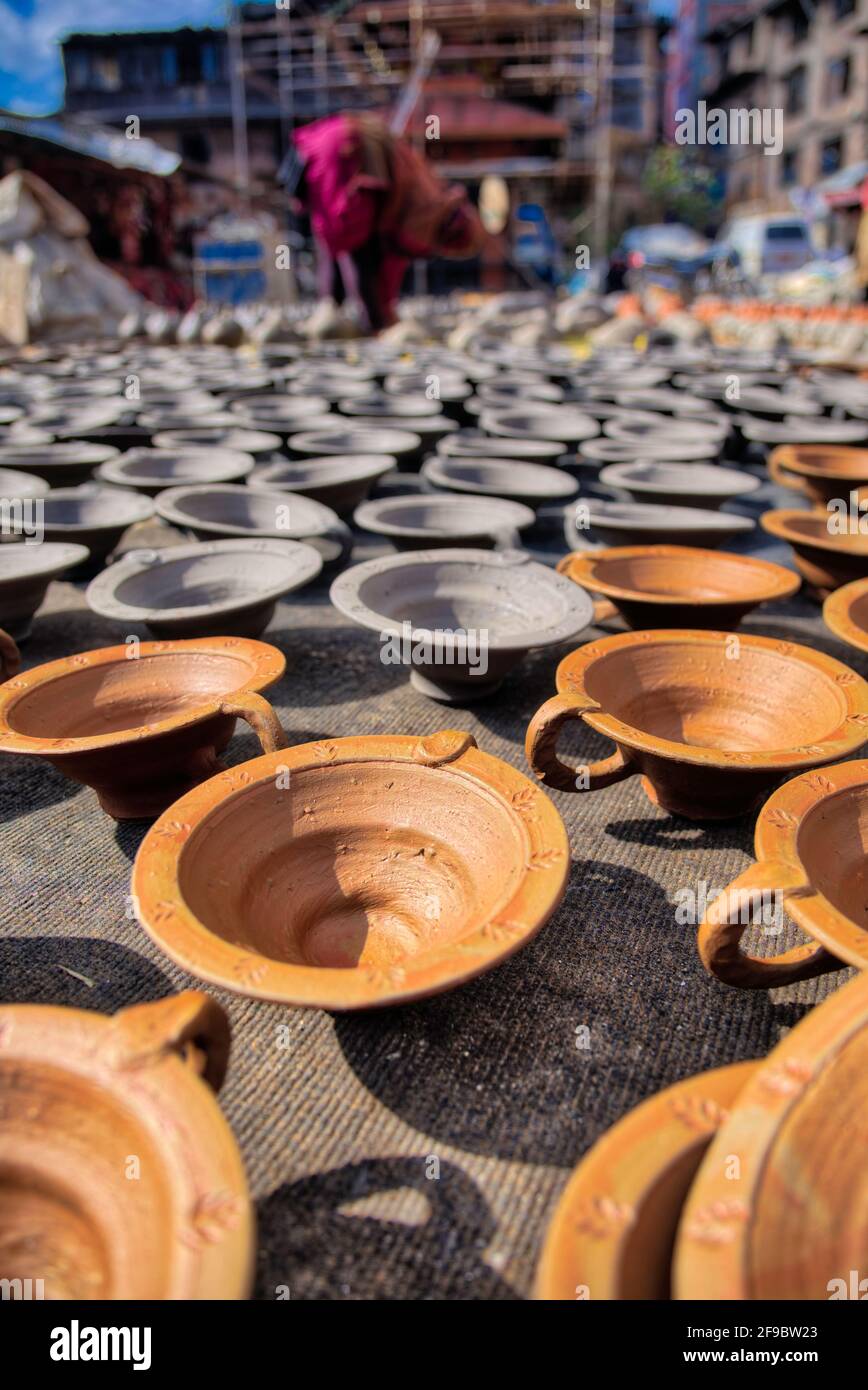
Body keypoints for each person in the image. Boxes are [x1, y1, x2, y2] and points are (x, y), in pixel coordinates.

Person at [284, 112, 485, 332]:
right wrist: (387, 315)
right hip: (348, 155)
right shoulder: (428, 214)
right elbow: (391, 260)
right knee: (356, 245)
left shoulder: (431, 187)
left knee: (340, 243)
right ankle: (371, 324)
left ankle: (332, 313)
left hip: (331, 141)